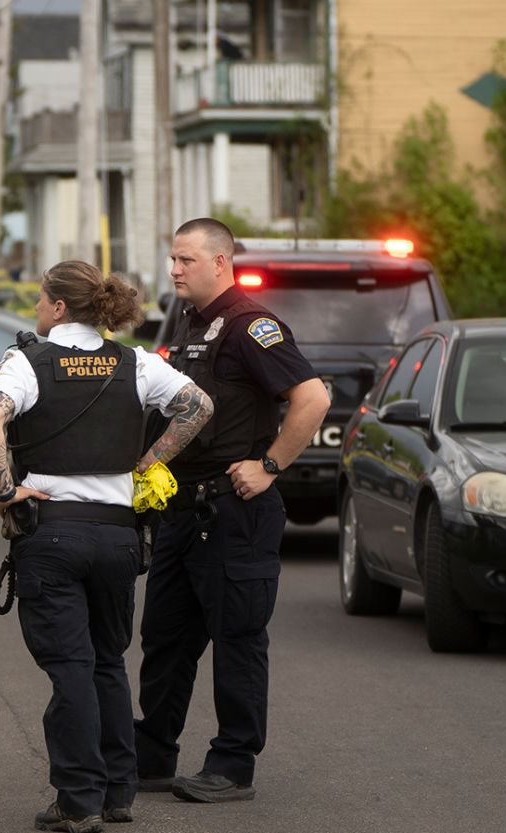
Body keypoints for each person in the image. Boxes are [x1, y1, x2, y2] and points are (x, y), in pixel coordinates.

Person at [0, 261, 214, 833]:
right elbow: (200, 407)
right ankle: (117, 792)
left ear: (59, 308)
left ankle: (79, 800)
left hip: (53, 533)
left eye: (40, 299)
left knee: (72, 670)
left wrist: (7, 491)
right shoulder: (134, 362)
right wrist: (149, 462)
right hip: (117, 535)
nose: (36, 308)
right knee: (108, 662)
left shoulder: (27, 362)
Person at [133, 218, 329, 803]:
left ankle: (233, 763)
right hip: (182, 513)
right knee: (165, 638)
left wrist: (269, 466)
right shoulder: (193, 324)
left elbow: (313, 397)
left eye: (185, 259)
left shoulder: (252, 326)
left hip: (232, 513)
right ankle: (152, 756)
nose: (174, 270)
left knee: (237, 638)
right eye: (172, 259)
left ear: (220, 262)